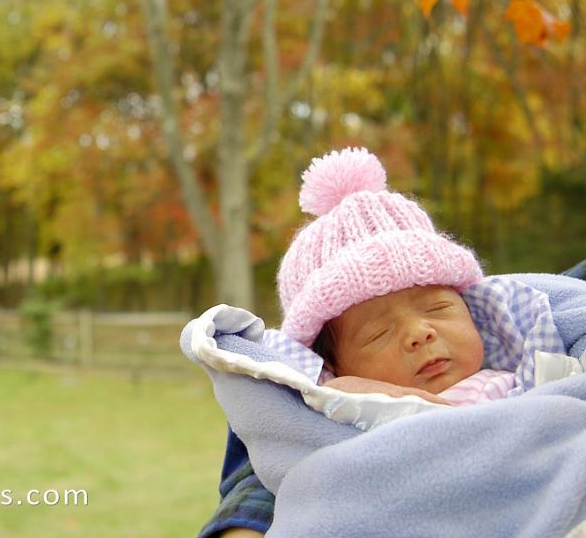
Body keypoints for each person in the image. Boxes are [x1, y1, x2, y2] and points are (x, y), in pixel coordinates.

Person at [194, 147, 586, 538]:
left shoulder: (533, 372)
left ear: (476, 313)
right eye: (377, 333)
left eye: (438, 308)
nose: (420, 333)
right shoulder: (346, 415)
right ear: (335, 367)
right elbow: (301, 476)